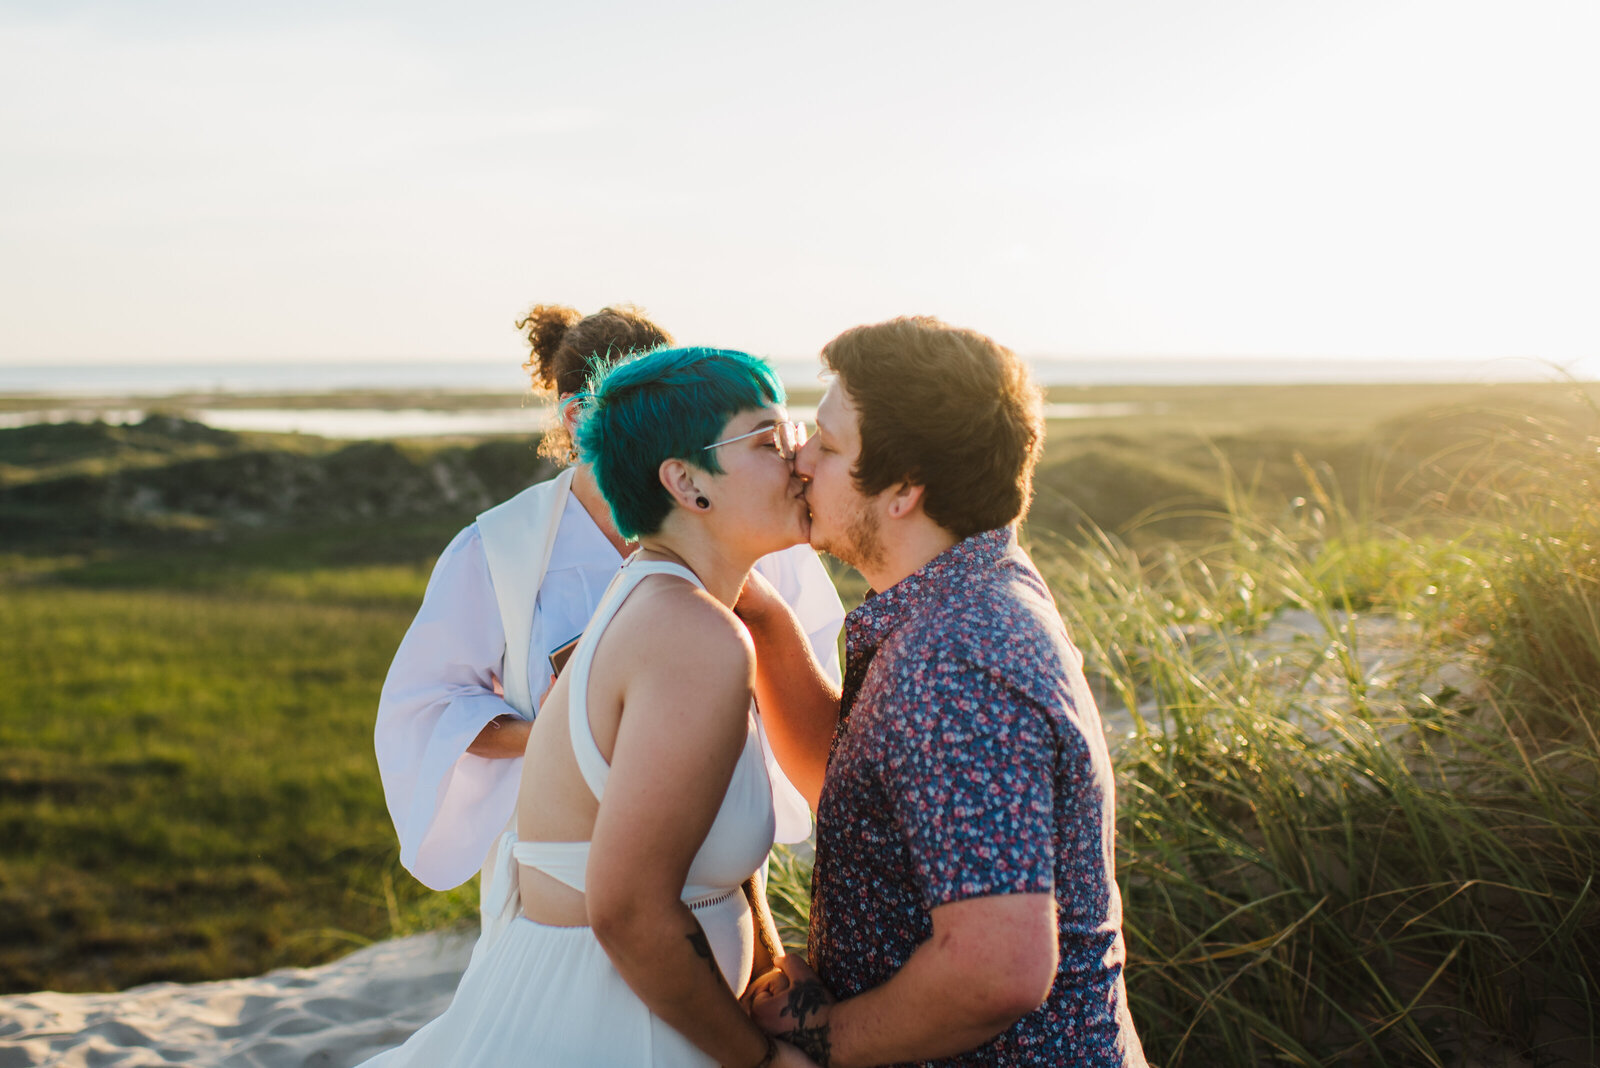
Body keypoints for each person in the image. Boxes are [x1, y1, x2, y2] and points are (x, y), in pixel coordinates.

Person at [359, 347, 823, 1067]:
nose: (800, 460)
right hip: (621, 1031)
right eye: (768, 441)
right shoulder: (692, 634)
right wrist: (761, 1062)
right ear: (687, 482)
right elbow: (630, 912)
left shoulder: (653, 593)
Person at [737, 317, 1148, 1066]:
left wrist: (820, 1038)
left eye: (827, 445)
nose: (799, 459)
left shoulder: (955, 662)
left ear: (901, 491)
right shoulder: (967, 591)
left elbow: (996, 971)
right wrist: (762, 616)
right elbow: (863, 788)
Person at [374, 305, 842, 897]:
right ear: (576, 416)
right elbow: (426, 703)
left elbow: (815, 708)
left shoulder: (747, 524)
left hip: (718, 856)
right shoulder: (499, 547)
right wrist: (560, 733)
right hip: (567, 870)